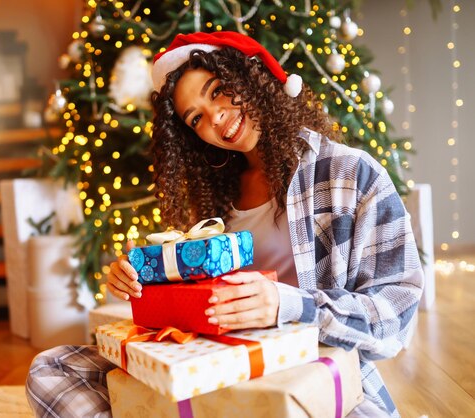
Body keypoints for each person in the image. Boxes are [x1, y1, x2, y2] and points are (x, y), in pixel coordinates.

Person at [26, 31, 423, 418]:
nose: (215, 118)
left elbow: (395, 318)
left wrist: (286, 305)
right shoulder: (215, 199)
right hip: (215, 366)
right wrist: (139, 279)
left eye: (216, 90)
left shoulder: (350, 175)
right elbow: (196, 299)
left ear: (249, 77)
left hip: (310, 372)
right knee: (52, 370)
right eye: (196, 118)